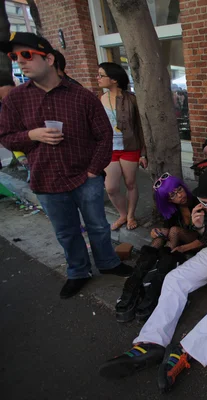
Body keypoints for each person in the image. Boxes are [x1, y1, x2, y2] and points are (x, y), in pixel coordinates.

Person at [99, 168, 207, 393]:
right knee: (176, 277)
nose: (201, 205)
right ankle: (151, 341)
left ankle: (186, 350)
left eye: (206, 202)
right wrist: (200, 226)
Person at [0, 32, 132, 298]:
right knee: (66, 232)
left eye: (26, 55)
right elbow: (4, 135)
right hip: (46, 180)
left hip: (85, 178)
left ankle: (107, 263)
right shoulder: (16, 99)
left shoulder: (81, 96)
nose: (20, 62)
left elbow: (104, 135)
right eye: (14, 57)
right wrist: (31, 135)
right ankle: (78, 271)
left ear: (48, 58)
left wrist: (94, 170)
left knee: (97, 226)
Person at [115, 173, 207, 323]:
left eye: (179, 189)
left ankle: (155, 289)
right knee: (159, 237)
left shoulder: (197, 202)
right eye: (173, 195)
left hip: (198, 242)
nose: (180, 195)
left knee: (173, 231)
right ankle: (133, 287)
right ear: (167, 200)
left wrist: (184, 248)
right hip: (180, 240)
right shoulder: (172, 210)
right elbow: (168, 230)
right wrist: (156, 232)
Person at [98, 62, 147, 231]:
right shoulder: (100, 98)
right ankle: (122, 214)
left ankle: (131, 215)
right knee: (111, 187)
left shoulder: (131, 99)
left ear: (113, 79)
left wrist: (143, 153)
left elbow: (141, 127)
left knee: (130, 183)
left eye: (101, 75)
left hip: (130, 147)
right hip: (109, 149)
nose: (98, 78)